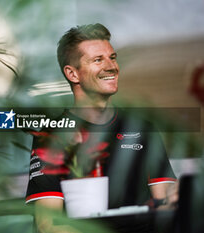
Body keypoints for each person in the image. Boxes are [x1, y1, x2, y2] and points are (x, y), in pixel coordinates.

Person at [25, 24, 177, 233]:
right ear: (73, 74)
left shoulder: (142, 128)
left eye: (112, 58)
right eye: (98, 60)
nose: (111, 66)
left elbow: (167, 203)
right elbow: (49, 225)